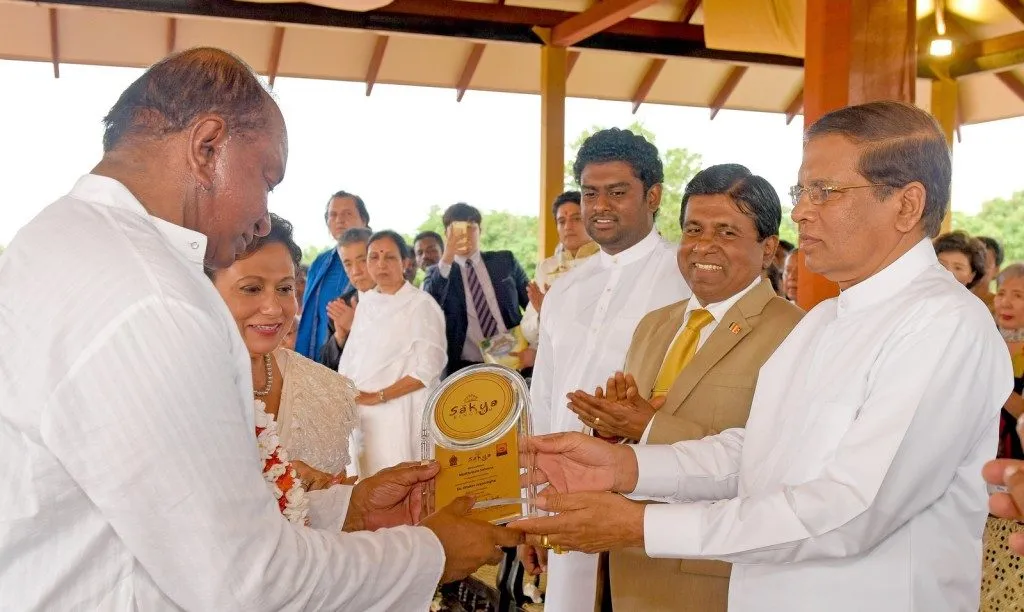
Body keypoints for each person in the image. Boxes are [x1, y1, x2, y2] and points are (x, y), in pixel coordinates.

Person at [0, 47, 520, 610]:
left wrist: (348, 510)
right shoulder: (153, 296)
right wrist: (430, 552)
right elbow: (245, 581)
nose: (265, 217)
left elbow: (172, 514)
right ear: (207, 147)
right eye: (267, 179)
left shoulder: (55, 239)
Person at [514, 101, 1012, 612]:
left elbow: (850, 511)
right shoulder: (824, 320)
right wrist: (626, 466)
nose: (800, 212)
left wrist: (643, 525)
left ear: (906, 205)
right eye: (802, 192)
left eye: (824, 191)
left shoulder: (944, 324)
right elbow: (758, 454)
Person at [562, 164, 803, 612]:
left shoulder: (795, 333)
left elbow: (777, 468)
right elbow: (633, 435)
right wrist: (611, 431)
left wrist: (650, 426)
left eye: (726, 232)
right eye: (693, 229)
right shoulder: (655, 324)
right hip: (624, 564)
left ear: (768, 248)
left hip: (711, 575)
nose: (703, 246)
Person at [527, 127, 691, 612]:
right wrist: (530, 503)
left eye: (617, 193)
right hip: (561, 486)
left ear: (653, 196)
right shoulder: (566, 287)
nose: (600, 206)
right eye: (589, 193)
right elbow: (543, 397)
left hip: (648, 490)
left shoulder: (685, 277)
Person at [209, 213, 358, 495]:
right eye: (251, 289)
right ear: (206, 292)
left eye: (285, 288)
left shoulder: (325, 391)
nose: (274, 308)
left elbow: (340, 494)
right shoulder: (178, 387)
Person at [339, 230, 447, 477]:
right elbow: (352, 359)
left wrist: (379, 396)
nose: (381, 264)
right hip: (364, 417)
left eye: (389, 257)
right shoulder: (366, 303)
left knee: (404, 483)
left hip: (403, 411)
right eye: (374, 257)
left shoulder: (421, 304)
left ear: (405, 262)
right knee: (368, 485)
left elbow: (428, 370)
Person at [423, 203, 530, 376]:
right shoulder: (439, 273)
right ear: (446, 234)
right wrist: (447, 257)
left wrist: (534, 346)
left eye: (470, 228)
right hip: (467, 368)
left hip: (515, 357)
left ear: (480, 230)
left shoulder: (504, 261)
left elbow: (532, 305)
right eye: (457, 229)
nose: (464, 234)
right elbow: (428, 305)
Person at [519, 190, 599, 366]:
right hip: (552, 362)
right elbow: (528, 330)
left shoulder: (607, 261)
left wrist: (554, 312)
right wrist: (543, 312)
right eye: (562, 221)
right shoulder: (547, 267)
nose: (568, 226)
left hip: (594, 360)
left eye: (577, 218)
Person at [294, 190, 370, 359]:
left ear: (364, 220)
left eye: (347, 213)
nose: (339, 220)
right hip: (322, 356)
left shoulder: (377, 258)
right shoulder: (319, 263)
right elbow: (309, 317)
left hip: (362, 358)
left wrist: (354, 326)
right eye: (333, 215)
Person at [319, 227, 375, 370]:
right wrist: (340, 337)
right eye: (348, 264)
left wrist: (356, 327)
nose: (356, 271)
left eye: (362, 260)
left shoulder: (400, 299)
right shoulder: (341, 306)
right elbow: (325, 367)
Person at [976, 236, 1005, 313]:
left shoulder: (1001, 307)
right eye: (973, 263)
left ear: (996, 271)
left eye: (985, 265)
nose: (977, 269)